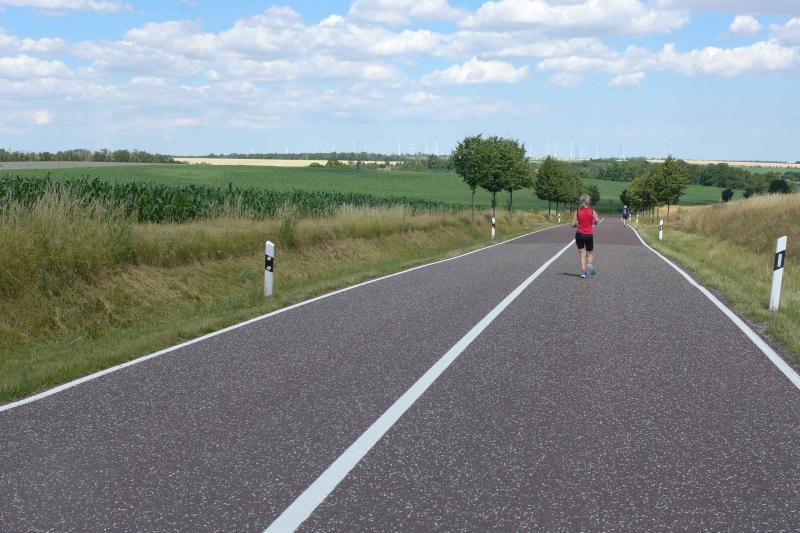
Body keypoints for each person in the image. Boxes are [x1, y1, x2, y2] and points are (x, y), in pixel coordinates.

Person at [572, 194, 600, 279]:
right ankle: (589, 264)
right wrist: (594, 223)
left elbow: (573, 224)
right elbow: (597, 220)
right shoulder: (592, 211)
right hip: (588, 235)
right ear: (588, 201)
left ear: (581, 201)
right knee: (589, 254)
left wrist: (576, 225)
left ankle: (583, 273)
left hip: (579, 234)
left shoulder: (577, 211)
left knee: (582, 254)